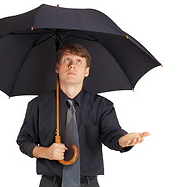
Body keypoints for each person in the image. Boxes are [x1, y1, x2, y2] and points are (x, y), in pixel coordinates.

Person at [17, 43, 150, 187]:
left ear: (87, 71)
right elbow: (24, 141)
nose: (72, 65)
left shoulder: (102, 106)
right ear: (57, 68)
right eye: (67, 60)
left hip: (88, 183)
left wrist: (122, 140)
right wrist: (45, 152)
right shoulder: (38, 105)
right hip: (50, 183)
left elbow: (112, 134)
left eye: (79, 61)